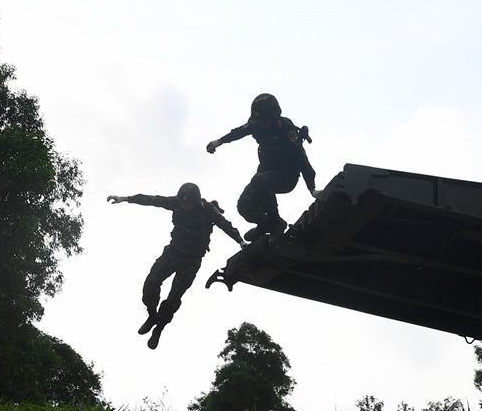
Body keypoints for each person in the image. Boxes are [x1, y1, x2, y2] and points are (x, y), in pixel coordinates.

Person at [107, 183, 245, 349]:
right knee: (151, 283)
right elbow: (152, 200)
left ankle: (159, 328)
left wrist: (241, 241)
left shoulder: (207, 210)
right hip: (173, 253)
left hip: (191, 261)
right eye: (182, 203)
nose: (184, 207)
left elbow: (225, 225)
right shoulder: (175, 203)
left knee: (174, 297)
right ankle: (152, 316)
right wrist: (124, 199)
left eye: (188, 204)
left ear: (197, 201)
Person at [207, 93, 322, 240]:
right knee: (244, 205)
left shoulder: (286, 129)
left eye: (265, 119)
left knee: (258, 181)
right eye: (260, 120)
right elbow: (239, 132)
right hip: (265, 174)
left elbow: (301, 158)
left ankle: (276, 226)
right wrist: (219, 141)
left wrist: (312, 188)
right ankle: (266, 224)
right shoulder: (257, 124)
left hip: (287, 176)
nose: (263, 123)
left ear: (274, 115)